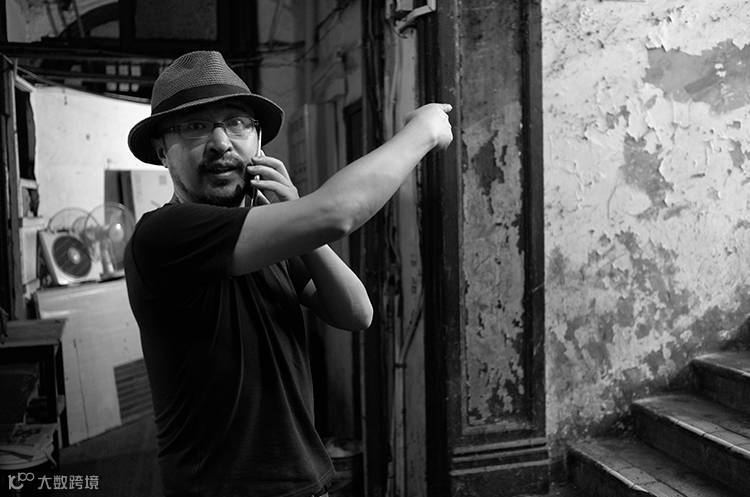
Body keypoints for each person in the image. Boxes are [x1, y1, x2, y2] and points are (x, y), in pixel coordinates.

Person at [124, 50, 452, 497]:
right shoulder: (164, 235)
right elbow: (337, 212)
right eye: (195, 126)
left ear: (258, 142)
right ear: (163, 150)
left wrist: (298, 218)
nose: (221, 142)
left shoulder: (267, 234)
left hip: (304, 482)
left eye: (237, 123)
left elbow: (356, 313)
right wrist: (423, 131)